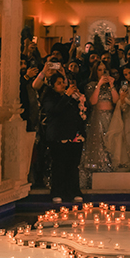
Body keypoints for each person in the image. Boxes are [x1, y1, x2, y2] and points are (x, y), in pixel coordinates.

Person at [40, 71, 86, 203]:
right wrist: (66, 96)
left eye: (63, 83)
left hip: (74, 135)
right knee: (59, 164)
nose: (62, 85)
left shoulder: (72, 98)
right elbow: (55, 111)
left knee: (73, 165)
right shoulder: (49, 98)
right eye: (59, 83)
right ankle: (57, 191)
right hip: (58, 136)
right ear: (53, 86)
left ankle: (74, 191)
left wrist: (79, 99)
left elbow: (80, 113)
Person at [79, 61, 118, 190]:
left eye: (105, 70)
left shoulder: (110, 86)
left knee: (110, 144)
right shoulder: (91, 86)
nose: (103, 73)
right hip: (97, 119)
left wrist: (111, 85)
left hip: (110, 118)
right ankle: (93, 177)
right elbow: (92, 102)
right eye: (100, 70)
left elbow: (116, 101)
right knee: (98, 145)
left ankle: (109, 174)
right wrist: (99, 85)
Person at [106, 63, 130, 173]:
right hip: (129, 116)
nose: (128, 76)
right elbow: (123, 108)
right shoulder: (124, 88)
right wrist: (122, 100)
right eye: (125, 74)